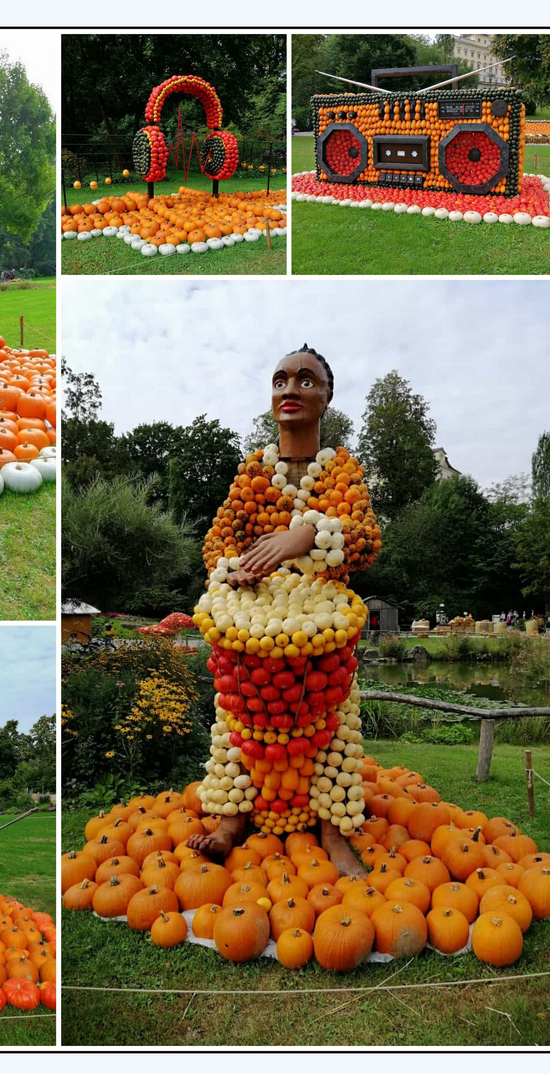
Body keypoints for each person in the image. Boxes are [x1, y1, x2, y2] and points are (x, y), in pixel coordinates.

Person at [189, 346, 381, 877]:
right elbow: (218, 541)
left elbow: (364, 539)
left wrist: (306, 536)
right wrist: (233, 568)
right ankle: (231, 820)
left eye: (306, 380)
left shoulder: (341, 469)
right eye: (280, 380)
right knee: (233, 718)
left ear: (326, 396)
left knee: (336, 724)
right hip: (254, 627)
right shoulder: (255, 469)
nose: (290, 389)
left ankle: (333, 831)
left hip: (321, 632)